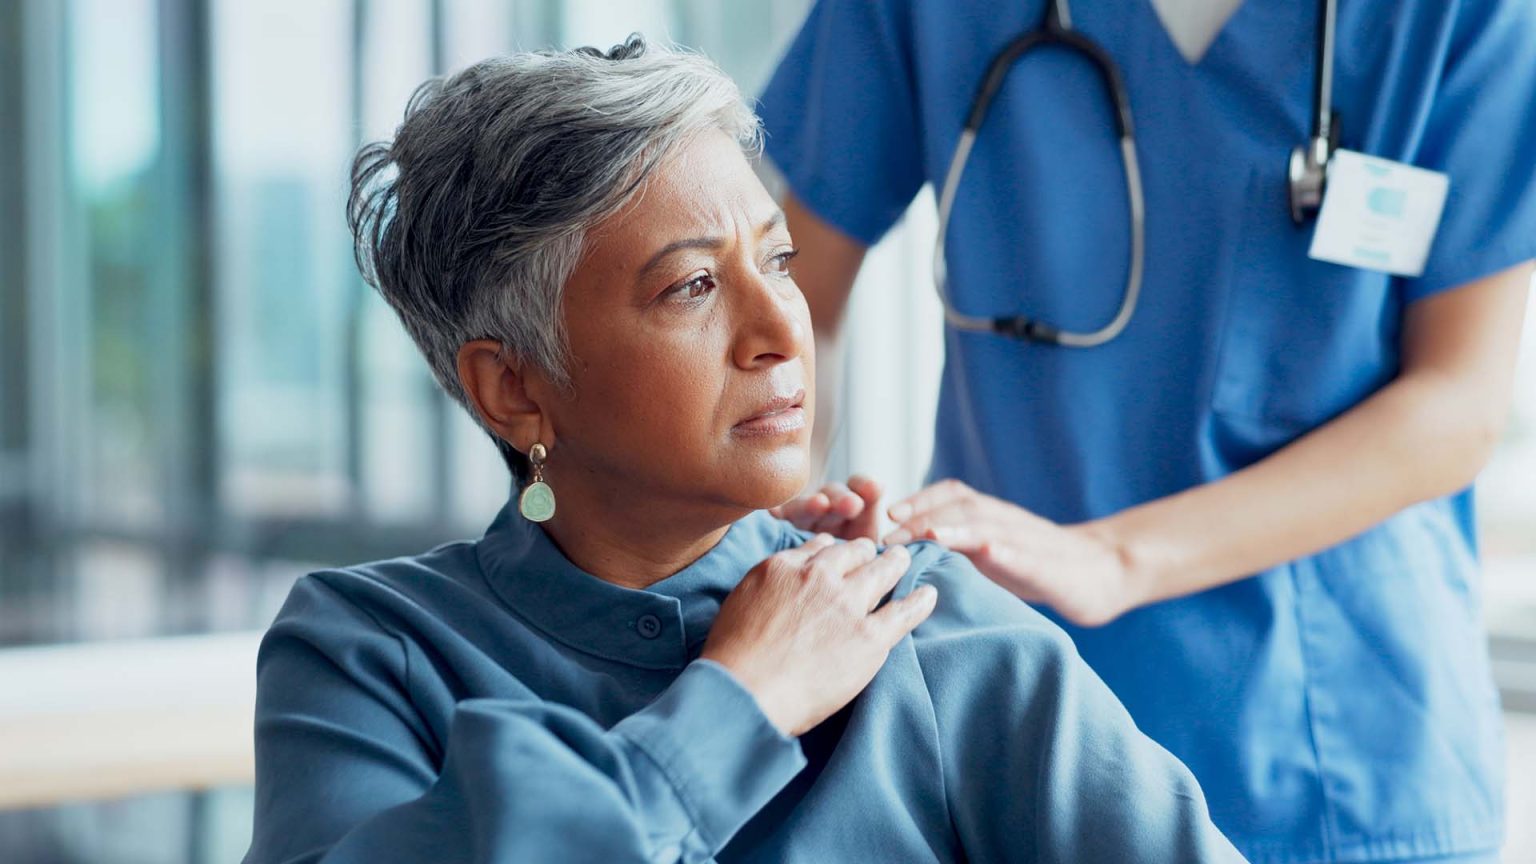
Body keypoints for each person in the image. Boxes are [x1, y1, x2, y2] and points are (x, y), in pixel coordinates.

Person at [242, 37, 1245, 864]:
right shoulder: (370, 652)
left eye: (778, 260)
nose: (781, 330)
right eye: (691, 286)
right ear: (515, 387)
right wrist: (743, 704)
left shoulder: (920, 623)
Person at [758, 1, 1536, 862]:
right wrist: (782, 532)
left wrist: (1110, 558)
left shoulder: (1456, 17)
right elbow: (792, 309)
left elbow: (1456, 405)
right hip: (1007, 717)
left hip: (1339, 741)